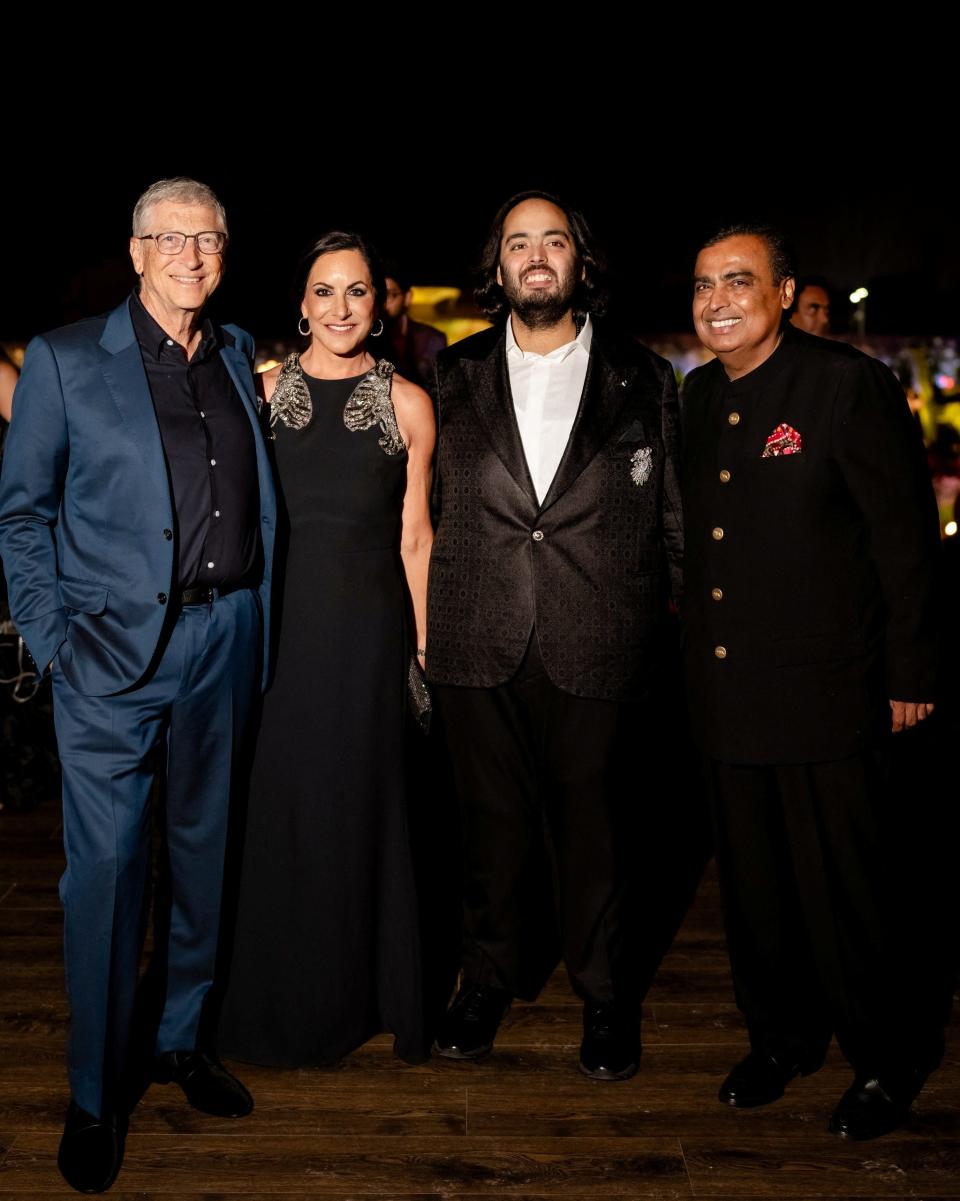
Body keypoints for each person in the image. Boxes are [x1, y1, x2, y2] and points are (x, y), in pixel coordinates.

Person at [0, 177, 275, 1193]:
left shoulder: (239, 353)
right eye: (171, 238)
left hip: (226, 638)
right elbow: (22, 514)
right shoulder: (67, 361)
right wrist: (55, 639)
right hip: (110, 662)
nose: (192, 255)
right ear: (135, 250)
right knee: (108, 874)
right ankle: (93, 1091)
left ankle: (179, 1041)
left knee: (205, 859)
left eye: (209, 238)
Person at [683, 223, 944, 1140]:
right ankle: (781, 1037)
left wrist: (912, 667)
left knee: (852, 892)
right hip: (731, 694)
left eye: (739, 281)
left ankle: (889, 1054)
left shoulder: (846, 387)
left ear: (785, 294)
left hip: (832, 691)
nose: (717, 300)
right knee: (755, 893)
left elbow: (905, 543)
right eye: (705, 284)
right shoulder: (698, 400)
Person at [427, 190, 683, 1080]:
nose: (536, 256)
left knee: (597, 830)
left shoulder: (645, 378)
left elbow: (675, 524)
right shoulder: (445, 377)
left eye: (554, 240)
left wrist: (676, 640)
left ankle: (607, 996)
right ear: (496, 268)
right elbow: (418, 515)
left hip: (603, 637)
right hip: (474, 634)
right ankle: (487, 977)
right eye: (517, 243)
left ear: (582, 261)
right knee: (488, 826)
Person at [217, 232, 435, 1067]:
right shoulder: (263, 394)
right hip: (280, 633)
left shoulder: (410, 402)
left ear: (377, 307)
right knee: (285, 812)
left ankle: (366, 995)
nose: (340, 308)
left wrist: (424, 651)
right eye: (324, 292)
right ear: (300, 304)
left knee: (362, 811)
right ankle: (283, 998)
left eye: (356, 293)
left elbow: (417, 539)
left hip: (371, 639)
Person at [383, 264, 447, 394]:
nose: (382, 302)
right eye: (378, 295)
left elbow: (439, 389)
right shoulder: (367, 336)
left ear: (407, 297)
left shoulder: (431, 339)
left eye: (389, 295)